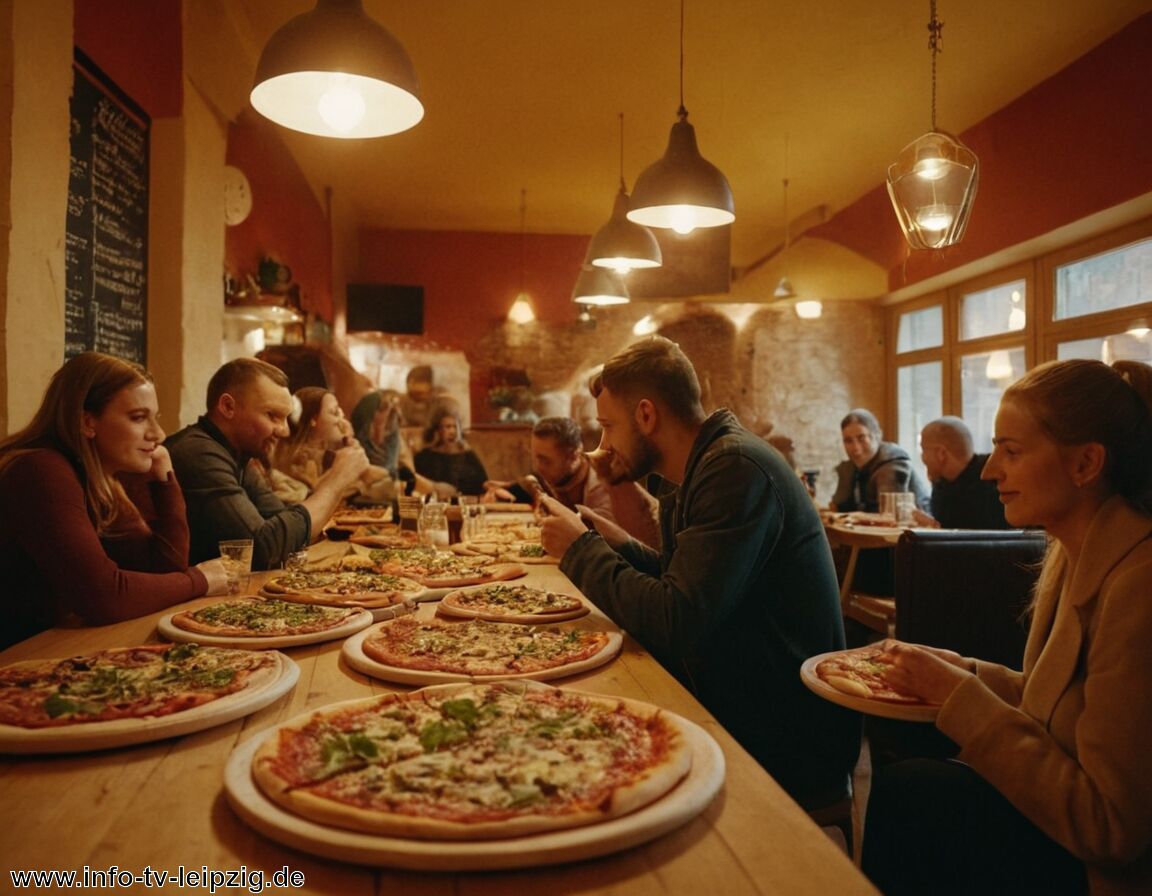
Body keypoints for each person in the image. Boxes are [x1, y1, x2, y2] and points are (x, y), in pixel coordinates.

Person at [861, 358, 1152, 896]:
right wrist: (962, 672)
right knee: (906, 769)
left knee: (913, 796)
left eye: (1011, 452)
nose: (991, 469)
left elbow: (1112, 830)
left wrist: (960, 696)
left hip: (1098, 872)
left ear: (1086, 463)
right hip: (1063, 832)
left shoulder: (1138, 585)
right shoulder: (1073, 551)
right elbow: (1057, 704)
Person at [538, 336, 860, 810]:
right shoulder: (702, 465)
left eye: (608, 427)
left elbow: (675, 621)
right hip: (741, 697)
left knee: (575, 738)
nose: (600, 448)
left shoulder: (735, 467)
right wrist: (618, 543)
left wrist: (581, 550)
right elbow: (683, 584)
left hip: (786, 732)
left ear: (647, 415)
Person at [0, 352, 228, 649]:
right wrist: (200, 580)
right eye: (138, 417)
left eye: (155, 418)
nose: (158, 433)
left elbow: (163, 570)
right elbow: (104, 596)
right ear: (87, 422)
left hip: (53, 648)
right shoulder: (40, 470)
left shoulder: (103, 477)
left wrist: (165, 480)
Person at [167, 357, 368, 570]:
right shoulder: (198, 453)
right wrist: (337, 481)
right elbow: (262, 550)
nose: (285, 431)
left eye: (285, 418)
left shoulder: (238, 455)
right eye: (272, 416)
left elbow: (287, 530)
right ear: (228, 407)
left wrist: (335, 481)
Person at [485, 416, 661, 548]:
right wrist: (501, 491)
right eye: (535, 458)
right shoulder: (558, 475)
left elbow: (598, 544)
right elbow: (531, 483)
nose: (538, 467)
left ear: (575, 456)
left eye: (545, 460)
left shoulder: (604, 487)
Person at [268, 387, 393, 504]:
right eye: (334, 412)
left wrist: (350, 444)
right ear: (313, 420)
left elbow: (376, 474)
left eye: (340, 412)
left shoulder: (323, 451)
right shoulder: (299, 457)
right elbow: (315, 497)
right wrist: (357, 483)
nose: (341, 419)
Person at [912, 415, 1008, 529]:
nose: (922, 458)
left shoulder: (993, 480)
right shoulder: (942, 484)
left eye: (923, 450)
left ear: (941, 453)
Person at [830, 408, 930, 513]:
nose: (855, 448)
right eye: (848, 441)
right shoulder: (851, 466)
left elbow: (888, 514)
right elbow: (839, 508)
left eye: (862, 438)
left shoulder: (892, 464)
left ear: (877, 435)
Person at [413, 406, 490, 497]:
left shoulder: (468, 455)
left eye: (455, 427)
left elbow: (483, 483)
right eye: (448, 427)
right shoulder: (425, 457)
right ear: (438, 431)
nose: (452, 431)